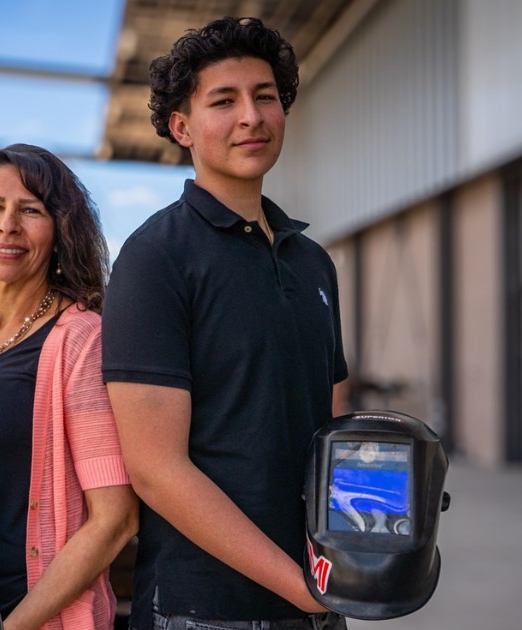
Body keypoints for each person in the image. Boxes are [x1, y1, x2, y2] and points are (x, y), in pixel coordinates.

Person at [101, 17, 349, 630]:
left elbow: (333, 427)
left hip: (321, 592)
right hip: (204, 609)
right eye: (224, 101)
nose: (251, 117)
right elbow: (156, 470)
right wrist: (300, 588)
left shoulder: (312, 262)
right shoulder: (156, 257)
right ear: (181, 127)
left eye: (265, 96)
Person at [0, 143, 138, 630]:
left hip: (36, 616)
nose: (8, 225)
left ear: (61, 231)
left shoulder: (82, 339)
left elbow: (115, 519)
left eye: (30, 210)